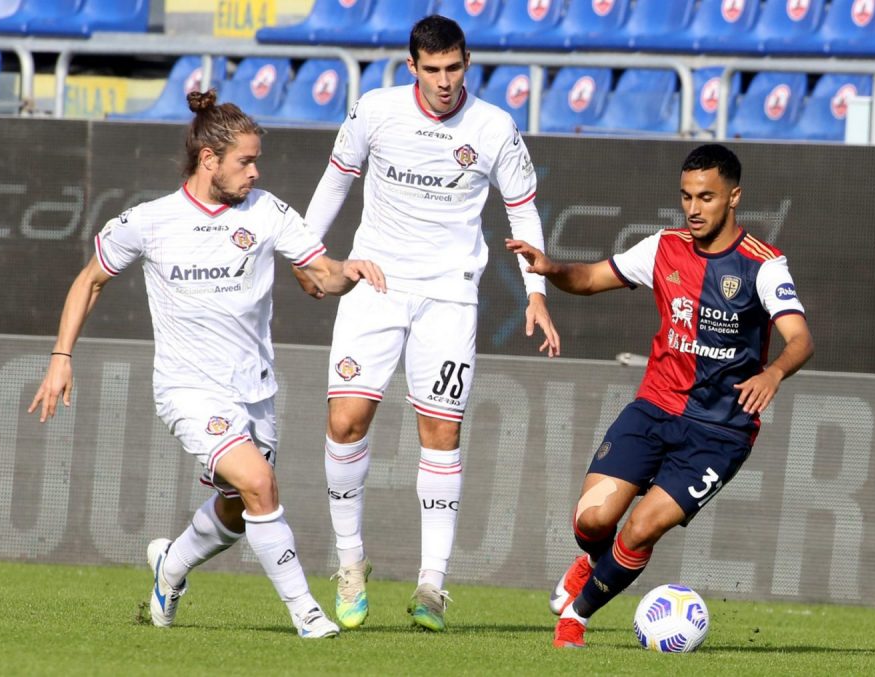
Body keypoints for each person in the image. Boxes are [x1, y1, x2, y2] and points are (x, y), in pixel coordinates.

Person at [28, 90, 386, 639]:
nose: (255, 171)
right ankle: (307, 613)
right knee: (259, 483)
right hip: (188, 390)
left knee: (239, 509)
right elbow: (90, 280)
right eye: (245, 160)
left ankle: (170, 567)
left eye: (256, 160)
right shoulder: (151, 220)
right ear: (209, 159)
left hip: (255, 390)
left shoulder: (266, 211)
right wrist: (60, 356)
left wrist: (349, 271)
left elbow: (322, 275)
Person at [301, 14, 560, 632]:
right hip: (375, 285)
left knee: (441, 433)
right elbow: (335, 183)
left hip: (449, 296)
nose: (445, 82)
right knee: (345, 420)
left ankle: (432, 585)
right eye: (433, 70)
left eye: (454, 68)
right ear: (412, 67)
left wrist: (537, 292)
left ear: (468, 64)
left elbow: (523, 213)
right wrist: (308, 255)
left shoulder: (494, 127)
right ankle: (350, 563)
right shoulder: (375, 111)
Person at [507, 143, 815, 649]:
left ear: (734, 197)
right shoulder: (663, 247)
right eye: (686, 196)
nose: (693, 208)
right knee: (593, 520)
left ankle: (576, 618)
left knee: (641, 529)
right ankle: (591, 560)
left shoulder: (763, 265)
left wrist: (774, 373)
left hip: (720, 431)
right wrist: (552, 268)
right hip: (654, 409)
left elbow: (800, 338)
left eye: (706, 197)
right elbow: (591, 279)